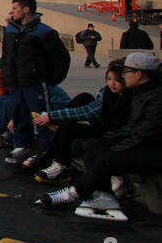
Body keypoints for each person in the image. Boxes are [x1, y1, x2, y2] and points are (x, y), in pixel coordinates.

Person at [37, 53, 162, 221]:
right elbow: (132, 129)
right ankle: (104, 196)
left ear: (139, 74)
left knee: (105, 158)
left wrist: (114, 148)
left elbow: (146, 134)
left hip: (153, 149)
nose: (123, 76)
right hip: (142, 142)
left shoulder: (155, 97)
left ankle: (74, 193)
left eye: (126, 73)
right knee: (93, 150)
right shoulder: (141, 93)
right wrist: (110, 141)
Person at [31, 60, 129, 184]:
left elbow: (88, 111)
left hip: (111, 130)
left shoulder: (126, 95)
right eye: (109, 79)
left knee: (68, 129)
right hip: (106, 123)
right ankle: (60, 125)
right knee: (84, 97)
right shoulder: (108, 92)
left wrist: (53, 116)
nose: (112, 84)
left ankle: (61, 165)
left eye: (117, 81)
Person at [0, 0, 71, 166]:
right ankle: (22, 144)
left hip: (34, 83)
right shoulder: (10, 30)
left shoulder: (44, 32)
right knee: (18, 113)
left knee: (40, 116)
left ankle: (47, 149)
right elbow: (6, 55)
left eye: (15, 8)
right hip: (15, 82)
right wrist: (6, 74)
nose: (11, 12)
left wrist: (51, 79)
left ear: (26, 10)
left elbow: (61, 57)